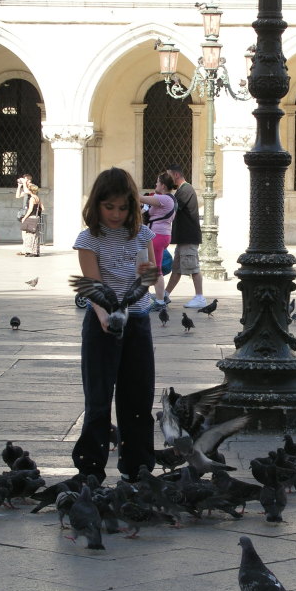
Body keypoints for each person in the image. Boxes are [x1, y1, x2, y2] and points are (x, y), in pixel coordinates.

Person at [71, 167, 157, 483]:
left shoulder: (143, 234)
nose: (116, 214)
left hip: (137, 319)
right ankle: (90, 467)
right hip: (102, 322)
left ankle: (138, 465)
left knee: (138, 396)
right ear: (97, 205)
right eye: (109, 207)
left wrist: (147, 273)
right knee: (98, 395)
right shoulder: (88, 239)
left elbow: (145, 278)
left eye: (123, 208)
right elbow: (94, 286)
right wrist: (104, 314)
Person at [164, 163, 206, 308]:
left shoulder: (186, 190)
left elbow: (173, 206)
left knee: (193, 268)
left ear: (175, 175)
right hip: (183, 238)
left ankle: (200, 297)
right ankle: (165, 294)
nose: (167, 179)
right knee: (177, 269)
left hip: (188, 237)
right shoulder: (181, 190)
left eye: (168, 175)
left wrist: (163, 194)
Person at [139, 171, 177, 311]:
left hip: (157, 236)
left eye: (157, 182)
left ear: (162, 185)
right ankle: (150, 297)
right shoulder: (167, 199)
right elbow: (145, 209)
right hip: (161, 235)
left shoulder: (165, 199)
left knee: (156, 269)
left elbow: (140, 198)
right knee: (151, 268)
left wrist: (128, 189)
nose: (155, 184)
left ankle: (160, 301)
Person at [21, 184, 44, 257]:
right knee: (35, 234)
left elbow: (30, 209)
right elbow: (42, 208)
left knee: (29, 235)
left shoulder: (32, 198)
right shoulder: (37, 198)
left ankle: (30, 251)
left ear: (30, 190)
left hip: (31, 217)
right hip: (36, 217)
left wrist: (24, 217)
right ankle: (36, 251)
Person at [15, 174, 33, 256]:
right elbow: (17, 196)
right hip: (25, 213)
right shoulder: (25, 189)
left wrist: (25, 183)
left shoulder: (33, 187)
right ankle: (24, 250)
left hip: (30, 213)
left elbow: (27, 191)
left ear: (29, 180)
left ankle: (28, 250)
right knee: (24, 232)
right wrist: (19, 186)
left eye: (25, 179)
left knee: (28, 233)